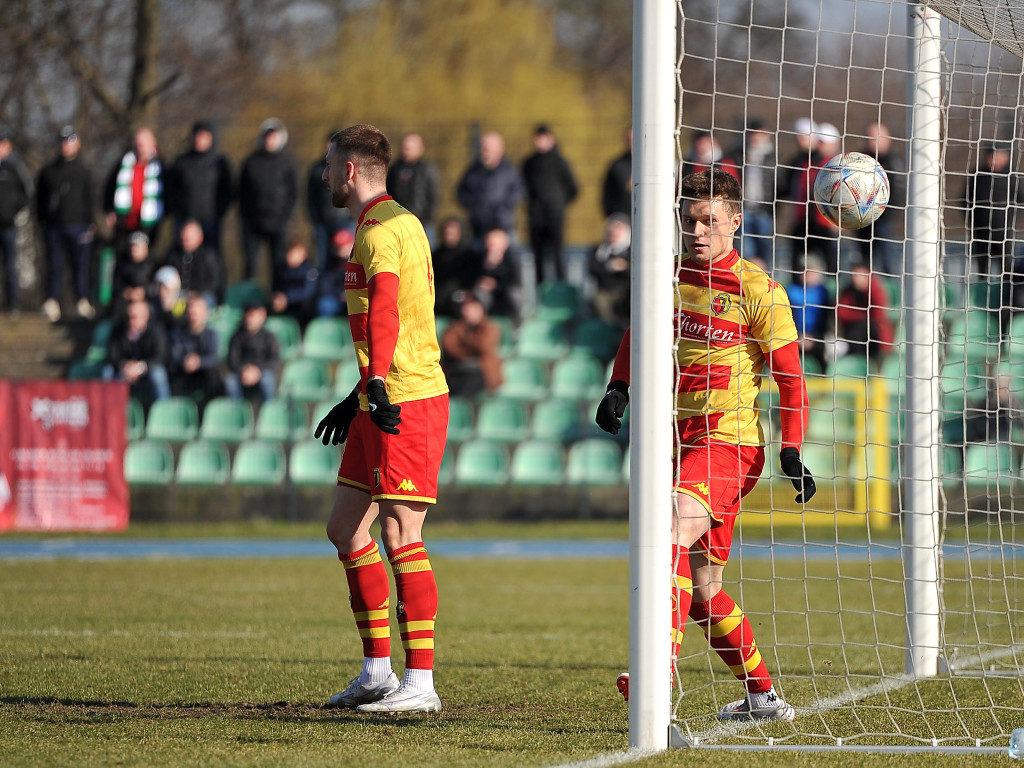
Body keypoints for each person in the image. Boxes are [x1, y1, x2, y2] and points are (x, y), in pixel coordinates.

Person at [596, 169, 814, 721]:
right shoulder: (668, 279)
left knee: (668, 525)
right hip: (676, 438)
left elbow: (791, 379)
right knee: (703, 593)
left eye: (709, 220)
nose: (697, 231)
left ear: (735, 222)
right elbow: (637, 334)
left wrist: (792, 448)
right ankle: (762, 696)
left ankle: (657, 667)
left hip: (730, 441)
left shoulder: (759, 290)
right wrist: (619, 386)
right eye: (691, 219)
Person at [315, 123, 449, 714]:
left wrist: (374, 381)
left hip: (407, 398)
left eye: (327, 165)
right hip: (379, 395)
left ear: (349, 170)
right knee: (346, 529)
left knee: (401, 533)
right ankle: (376, 672)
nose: (322, 175)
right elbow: (396, 313)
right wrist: (360, 392)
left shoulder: (378, 233)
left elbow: (389, 308)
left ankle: (420, 683)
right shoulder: (401, 222)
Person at [36, 125, 97, 322]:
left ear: (77, 144)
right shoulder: (48, 171)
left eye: (69, 141)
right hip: (54, 226)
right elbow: (40, 199)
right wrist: (43, 220)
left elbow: (91, 198)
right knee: (55, 265)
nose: (66, 146)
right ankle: (52, 301)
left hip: (79, 225)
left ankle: (82, 301)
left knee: (80, 265)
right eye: (63, 141)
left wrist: (90, 222)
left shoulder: (84, 172)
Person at [166, 121, 233, 274]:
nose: (199, 140)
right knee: (180, 257)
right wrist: (178, 211)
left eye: (204, 136)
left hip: (210, 220)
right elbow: (171, 189)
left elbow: (227, 191)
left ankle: (214, 293)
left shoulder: (220, 163)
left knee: (212, 258)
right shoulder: (181, 162)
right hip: (183, 219)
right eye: (197, 136)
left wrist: (218, 212)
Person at [238, 118, 298, 287]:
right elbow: (241, 192)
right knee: (250, 265)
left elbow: (293, 193)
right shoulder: (251, 162)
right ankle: (248, 300)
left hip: (278, 222)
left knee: (278, 265)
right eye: (267, 137)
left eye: (273, 137)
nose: (270, 140)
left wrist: (286, 218)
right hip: (252, 223)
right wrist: (245, 218)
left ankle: (275, 301)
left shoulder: (288, 163)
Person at [777, 118, 839, 274]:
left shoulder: (831, 163)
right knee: (798, 262)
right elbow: (785, 187)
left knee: (831, 264)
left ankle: (832, 294)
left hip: (824, 221)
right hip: (802, 220)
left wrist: (838, 218)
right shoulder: (799, 162)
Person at [521, 125, 579, 284]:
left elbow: (573, 188)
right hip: (535, 217)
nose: (540, 142)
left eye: (544, 138)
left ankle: (561, 289)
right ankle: (540, 293)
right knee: (537, 256)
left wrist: (558, 204)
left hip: (555, 216)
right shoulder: (529, 163)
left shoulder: (560, 162)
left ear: (551, 139)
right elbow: (523, 188)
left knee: (557, 255)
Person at [851, 122, 906, 276]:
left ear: (888, 139)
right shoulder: (860, 160)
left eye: (876, 137)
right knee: (863, 261)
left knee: (886, 258)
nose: (872, 141)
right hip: (862, 220)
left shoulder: (894, 162)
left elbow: (898, 192)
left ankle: (889, 292)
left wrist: (881, 213)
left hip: (883, 220)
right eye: (869, 137)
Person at [104, 126, 165, 258]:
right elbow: (109, 187)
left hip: (149, 222)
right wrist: (109, 210)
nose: (139, 148)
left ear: (153, 143)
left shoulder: (161, 165)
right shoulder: (123, 163)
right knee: (122, 256)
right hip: (125, 220)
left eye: (142, 144)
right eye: (137, 144)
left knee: (147, 257)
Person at [456, 130, 525, 246]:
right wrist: (474, 205)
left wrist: (503, 208)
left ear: (500, 150)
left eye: (488, 148)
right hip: (478, 229)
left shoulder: (509, 170)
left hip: (503, 228)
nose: (484, 152)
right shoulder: (473, 170)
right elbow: (461, 192)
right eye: (482, 148)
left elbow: (519, 192)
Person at [103, 297, 171, 404]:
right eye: (128, 317)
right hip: (125, 370)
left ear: (145, 316)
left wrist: (140, 368)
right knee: (107, 372)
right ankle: (109, 411)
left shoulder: (156, 330)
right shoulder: (118, 330)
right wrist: (125, 366)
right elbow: (112, 355)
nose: (130, 321)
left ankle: (164, 410)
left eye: (134, 317)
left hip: (146, 370)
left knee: (158, 373)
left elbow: (161, 356)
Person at [307, 130, 354, 271]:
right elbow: (310, 196)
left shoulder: (348, 167)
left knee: (347, 260)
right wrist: (315, 218)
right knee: (322, 261)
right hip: (322, 221)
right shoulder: (316, 169)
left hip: (344, 219)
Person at [835, 261, 895, 371]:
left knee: (865, 325)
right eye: (854, 274)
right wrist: (864, 314)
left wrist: (858, 314)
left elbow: (878, 314)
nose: (855, 278)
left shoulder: (876, 289)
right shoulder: (848, 291)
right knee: (859, 327)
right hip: (853, 336)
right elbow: (842, 312)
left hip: (876, 337)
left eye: (859, 274)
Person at [440, 294, 503, 398]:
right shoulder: (455, 327)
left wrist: (464, 339)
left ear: (481, 310)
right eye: (465, 308)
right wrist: (471, 347)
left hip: (481, 372)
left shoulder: (490, 327)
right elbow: (451, 348)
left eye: (473, 308)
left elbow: (484, 346)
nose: (468, 312)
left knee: (464, 390)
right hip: (457, 370)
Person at [168, 293, 222, 409]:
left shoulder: (211, 335)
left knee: (215, 377)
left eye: (197, 313)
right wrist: (186, 361)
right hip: (184, 372)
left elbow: (213, 357)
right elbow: (174, 354)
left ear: (205, 314)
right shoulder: (179, 334)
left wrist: (199, 362)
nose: (194, 317)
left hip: (205, 374)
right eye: (191, 313)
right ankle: (175, 412)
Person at [387, 132, 441, 245]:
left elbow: (433, 195)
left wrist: (427, 217)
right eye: (404, 148)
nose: (406, 151)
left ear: (420, 149)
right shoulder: (395, 169)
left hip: (422, 222)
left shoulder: (427, 169)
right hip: (398, 222)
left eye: (409, 148)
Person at [736, 118, 776, 269]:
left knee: (765, 250)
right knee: (746, 251)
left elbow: (778, 185)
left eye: (760, 134)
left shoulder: (773, 158)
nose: (756, 137)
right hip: (744, 210)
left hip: (764, 211)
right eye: (753, 134)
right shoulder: (739, 155)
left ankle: (767, 285)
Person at [0, 126, 32, 313]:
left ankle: (13, 306)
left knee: (11, 266)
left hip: (9, 225)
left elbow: (27, 193)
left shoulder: (15, 167)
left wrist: (13, 211)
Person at [225, 301, 280, 403]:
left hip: (262, 372)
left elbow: (274, 360)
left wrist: (257, 371)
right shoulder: (236, 336)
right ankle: (238, 413)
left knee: (267, 380)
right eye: (248, 315)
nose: (250, 319)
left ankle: (267, 413)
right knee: (230, 381)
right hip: (242, 373)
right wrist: (243, 370)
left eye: (253, 315)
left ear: (262, 316)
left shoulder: (269, 337)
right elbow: (232, 360)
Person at [785, 255, 831, 375]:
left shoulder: (823, 292)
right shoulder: (791, 291)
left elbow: (825, 319)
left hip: (818, 337)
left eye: (810, 271)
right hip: (794, 336)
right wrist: (799, 336)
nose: (806, 274)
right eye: (803, 271)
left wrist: (813, 337)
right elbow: (787, 317)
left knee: (824, 354)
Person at [162, 219, 222, 308]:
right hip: (179, 295)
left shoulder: (208, 256)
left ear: (200, 237)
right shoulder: (174, 254)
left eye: (189, 236)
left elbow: (215, 281)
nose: (185, 238)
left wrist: (197, 293)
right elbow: (165, 273)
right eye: (184, 234)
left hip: (202, 296)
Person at [467, 228, 523, 323]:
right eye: (488, 244)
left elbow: (515, 281)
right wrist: (488, 266)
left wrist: (496, 285)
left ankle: (516, 324)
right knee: (478, 294)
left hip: (505, 293)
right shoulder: (481, 258)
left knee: (514, 295)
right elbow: (474, 277)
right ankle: (482, 324)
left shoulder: (511, 259)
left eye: (493, 244)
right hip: (489, 295)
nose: (490, 247)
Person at [588, 213, 632, 328]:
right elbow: (592, 269)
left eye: (618, 231)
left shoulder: (631, 251)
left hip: (625, 294)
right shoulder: (601, 250)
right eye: (611, 231)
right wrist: (610, 266)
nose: (613, 234)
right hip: (604, 292)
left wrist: (624, 268)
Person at [431, 216, 473, 318]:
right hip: (440, 296)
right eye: (447, 233)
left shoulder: (468, 255)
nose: (449, 236)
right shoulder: (437, 255)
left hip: (461, 296)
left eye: (453, 233)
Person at [271, 241, 318, 326]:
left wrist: (287, 298)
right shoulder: (282, 270)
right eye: (289, 253)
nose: (290, 256)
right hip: (282, 303)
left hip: (298, 306)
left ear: (303, 256)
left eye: (294, 254)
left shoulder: (309, 271)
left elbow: (308, 291)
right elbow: (276, 287)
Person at [112, 231, 157, 316]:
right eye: (132, 246)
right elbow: (116, 283)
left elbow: (156, 286)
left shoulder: (153, 265)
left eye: (137, 247)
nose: (134, 249)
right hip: (125, 303)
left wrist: (144, 291)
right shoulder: (123, 264)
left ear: (145, 248)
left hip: (148, 302)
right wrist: (126, 292)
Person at [316, 228, 354, 318]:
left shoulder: (359, 261)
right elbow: (325, 285)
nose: (342, 250)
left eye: (345, 246)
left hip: (355, 297)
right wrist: (340, 294)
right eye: (339, 247)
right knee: (325, 305)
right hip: (336, 298)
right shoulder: (331, 264)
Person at [602, 127, 632, 218]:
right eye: (629, 139)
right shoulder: (617, 165)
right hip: (622, 220)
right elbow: (607, 195)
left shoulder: (653, 165)